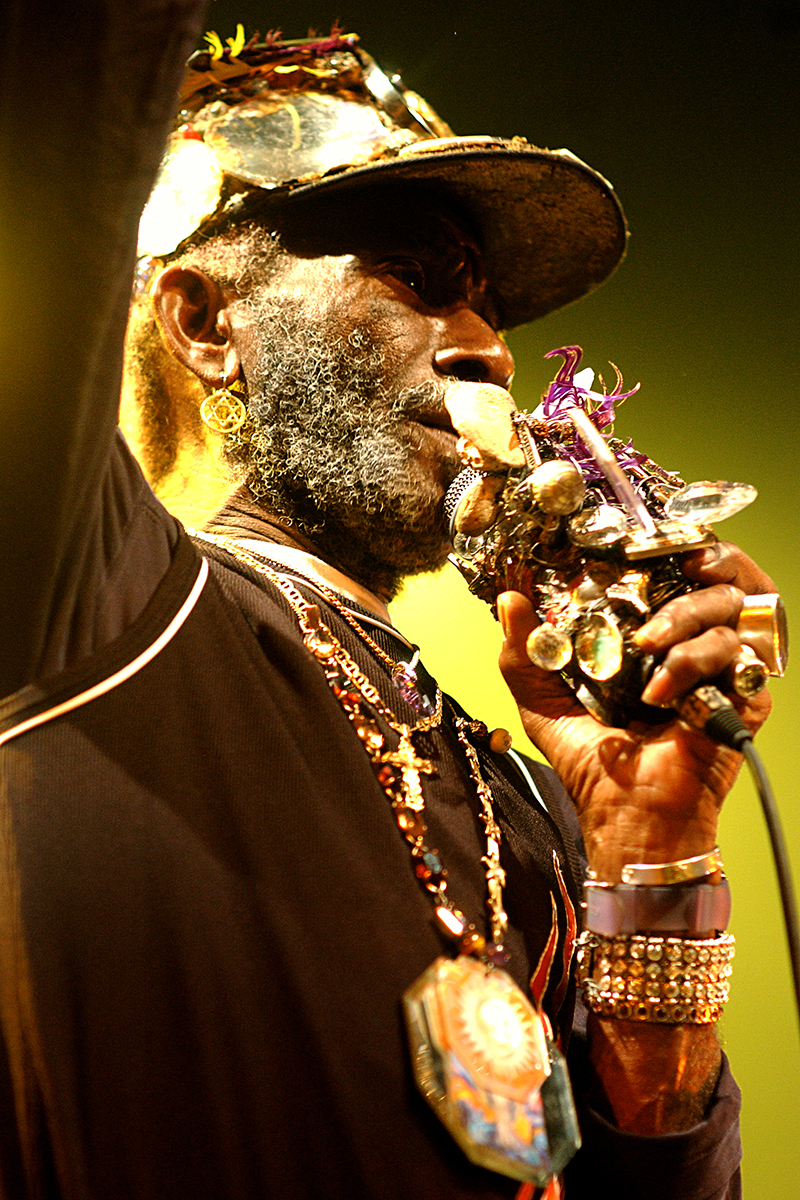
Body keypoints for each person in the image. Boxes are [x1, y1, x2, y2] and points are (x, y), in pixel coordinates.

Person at [0, 3, 775, 1197]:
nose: (488, 351)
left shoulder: (518, 790)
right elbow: (52, 107)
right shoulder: (95, 593)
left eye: (489, 309)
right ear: (207, 325)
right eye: (411, 279)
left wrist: (648, 850)